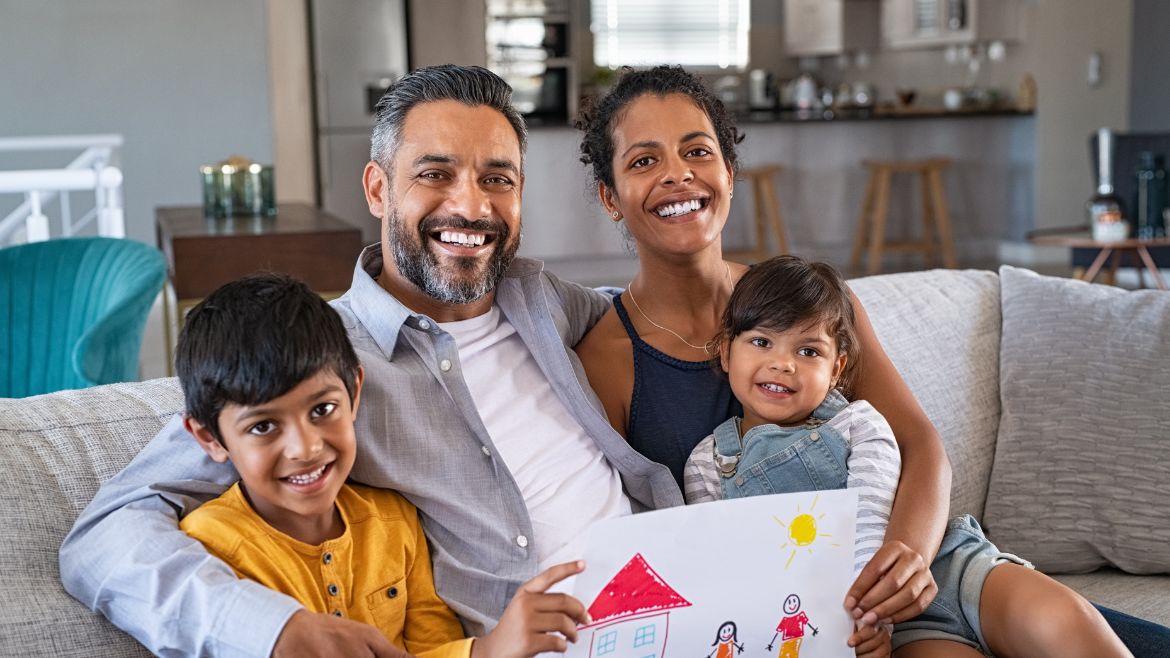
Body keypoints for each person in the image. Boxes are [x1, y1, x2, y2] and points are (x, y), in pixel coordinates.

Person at [60, 65, 677, 658]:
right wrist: (273, 630)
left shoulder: (541, 298)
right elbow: (105, 535)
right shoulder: (317, 364)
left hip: (674, 604)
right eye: (436, 174)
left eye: (498, 179)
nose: (472, 206)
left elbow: (650, 320)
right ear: (379, 190)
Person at [573, 65, 1170, 657]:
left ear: (729, 173)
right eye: (644, 161)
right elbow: (638, 548)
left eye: (697, 151)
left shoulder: (811, 303)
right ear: (609, 197)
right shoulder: (607, 360)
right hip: (823, 622)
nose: (678, 174)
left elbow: (919, 443)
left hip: (929, 563)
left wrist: (907, 557)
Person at [682, 255, 1132, 658]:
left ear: (837, 368)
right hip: (884, 627)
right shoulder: (709, 463)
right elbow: (730, 571)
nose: (784, 364)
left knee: (1064, 621)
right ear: (725, 351)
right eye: (761, 342)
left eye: (808, 351)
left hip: (949, 568)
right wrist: (858, 628)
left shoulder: (860, 425)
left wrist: (867, 613)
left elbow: (870, 526)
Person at [174, 273, 589, 658]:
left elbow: (433, 643)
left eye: (323, 409)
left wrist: (489, 648)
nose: (305, 447)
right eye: (264, 426)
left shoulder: (394, 520)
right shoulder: (209, 546)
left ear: (355, 391)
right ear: (209, 437)